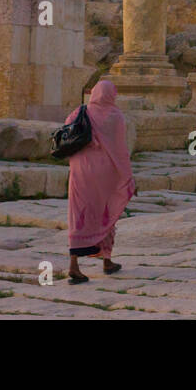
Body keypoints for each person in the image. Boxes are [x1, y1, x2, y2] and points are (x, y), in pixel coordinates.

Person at [65, 80, 136, 284]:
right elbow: (121, 150)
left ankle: (74, 265)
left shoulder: (79, 112)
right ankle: (107, 260)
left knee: (78, 214)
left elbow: (68, 135)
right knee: (106, 213)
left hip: (80, 171)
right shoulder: (115, 117)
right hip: (105, 174)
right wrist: (128, 177)